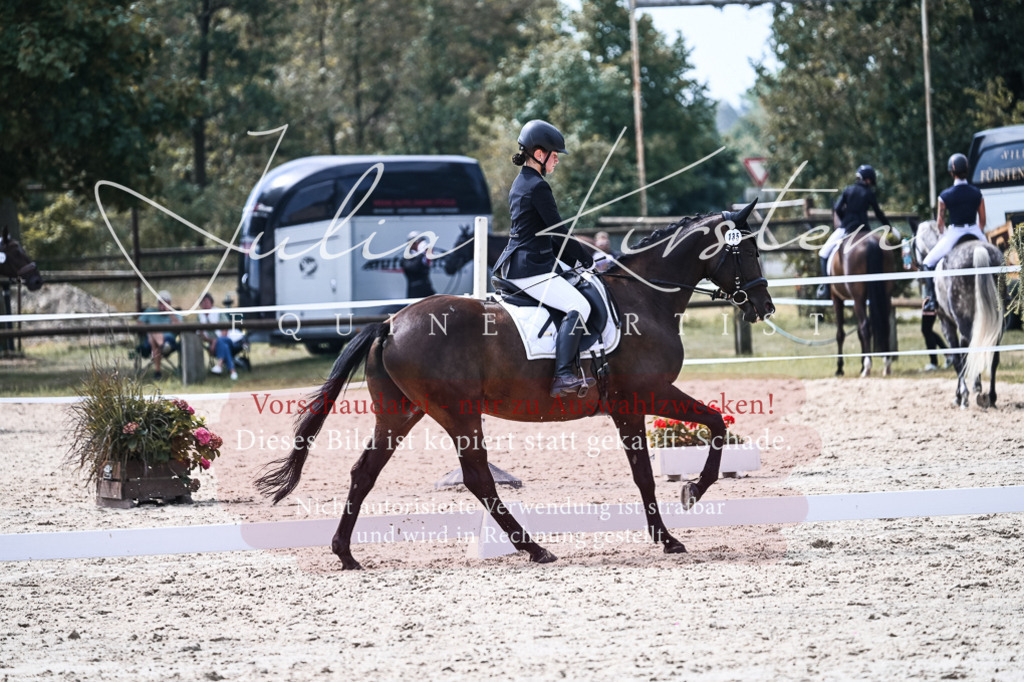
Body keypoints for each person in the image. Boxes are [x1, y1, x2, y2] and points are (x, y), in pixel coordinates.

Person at [493, 119, 596, 397]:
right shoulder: (537, 186)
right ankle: (563, 376)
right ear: (539, 154)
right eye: (554, 156)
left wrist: (574, 260)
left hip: (524, 261)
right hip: (530, 268)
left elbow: (546, 234)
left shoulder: (522, 181)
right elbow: (559, 232)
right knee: (579, 306)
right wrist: (588, 259)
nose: (557, 161)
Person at [919, 153, 987, 312]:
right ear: (967, 170)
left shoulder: (945, 195)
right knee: (996, 256)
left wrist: (942, 235)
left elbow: (940, 222)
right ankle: (1004, 295)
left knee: (928, 262)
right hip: (974, 229)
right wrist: (978, 233)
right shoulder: (977, 193)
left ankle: (932, 301)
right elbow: (982, 220)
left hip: (955, 232)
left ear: (951, 172)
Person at [816, 164, 890, 299]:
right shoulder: (869, 193)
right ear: (868, 180)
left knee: (823, 253)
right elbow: (878, 213)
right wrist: (889, 227)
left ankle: (826, 289)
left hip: (846, 228)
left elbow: (837, 209)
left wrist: (846, 218)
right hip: (864, 229)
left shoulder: (848, 190)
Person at [197, 293, 246, 380]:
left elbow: (225, 331)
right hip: (216, 345)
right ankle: (232, 372)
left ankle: (219, 365)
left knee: (222, 342)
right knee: (224, 347)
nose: (205, 303)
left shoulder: (218, 312)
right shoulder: (199, 317)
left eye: (206, 301)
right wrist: (212, 342)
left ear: (211, 302)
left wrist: (214, 342)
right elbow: (201, 335)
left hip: (231, 341)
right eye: (202, 302)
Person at [139, 290, 180, 380]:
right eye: (161, 303)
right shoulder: (150, 312)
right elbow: (139, 323)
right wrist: (148, 328)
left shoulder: (175, 314)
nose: (162, 305)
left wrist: (170, 314)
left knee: (152, 337)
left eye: (165, 303)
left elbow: (179, 326)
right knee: (152, 331)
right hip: (153, 344)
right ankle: (162, 346)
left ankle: (158, 372)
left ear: (170, 303)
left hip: (169, 341)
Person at [401, 232, 436, 298]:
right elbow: (413, 268)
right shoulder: (406, 258)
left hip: (428, 292)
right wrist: (421, 253)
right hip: (415, 294)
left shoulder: (423, 256)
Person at [920, 295, 949, 371]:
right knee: (927, 330)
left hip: (931, 300)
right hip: (930, 299)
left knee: (926, 330)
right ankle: (948, 355)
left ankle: (934, 362)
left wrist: (929, 297)